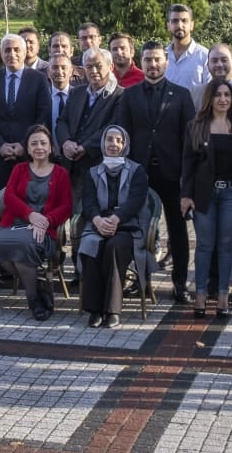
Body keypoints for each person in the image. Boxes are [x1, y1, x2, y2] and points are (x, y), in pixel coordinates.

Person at [118, 41, 192, 302]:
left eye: (157, 59)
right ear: (142, 61)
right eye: (147, 59)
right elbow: (122, 135)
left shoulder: (182, 95)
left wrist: (187, 178)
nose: (152, 64)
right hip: (140, 173)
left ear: (166, 62)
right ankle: (141, 280)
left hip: (172, 174)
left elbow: (189, 139)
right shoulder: (130, 95)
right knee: (139, 229)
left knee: (178, 231)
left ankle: (180, 284)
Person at [0, 124, 72, 320]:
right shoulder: (19, 169)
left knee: (23, 245)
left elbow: (66, 207)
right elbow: (9, 197)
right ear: (28, 148)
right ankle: (39, 285)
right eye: (34, 143)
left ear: (51, 147)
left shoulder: (61, 173)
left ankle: (33, 299)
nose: (39, 147)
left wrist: (45, 220)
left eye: (43, 143)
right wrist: (30, 215)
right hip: (14, 223)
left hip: (43, 230)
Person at [181, 78, 232, 319]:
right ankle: (200, 295)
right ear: (210, 98)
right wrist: (185, 195)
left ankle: (222, 295)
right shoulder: (196, 125)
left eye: (227, 95)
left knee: (227, 246)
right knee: (205, 246)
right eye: (218, 95)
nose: (223, 99)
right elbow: (187, 163)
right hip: (203, 195)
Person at [77, 125, 149, 329]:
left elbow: (136, 200)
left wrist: (117, 218)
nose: (113, 145)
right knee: (91, 245)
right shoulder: (92, 172)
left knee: (113, 248)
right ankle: (94, 310)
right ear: (103, 143)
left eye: (119, 140)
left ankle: (112, 310)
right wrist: (98, 220)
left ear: (125, 144)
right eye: (109, 140)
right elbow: (88, 202)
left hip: (127, 227)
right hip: (98, 225)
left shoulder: (137, 170)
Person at [0, 33, 53, 199]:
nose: (12, 54)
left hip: (28, 154)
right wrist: (0, 144)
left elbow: (43, 114)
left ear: (24, 53)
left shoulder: (39, 79)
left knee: (28, 200)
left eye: (17, 50)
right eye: (7, 50)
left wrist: (24, 144)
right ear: (1, 53)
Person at [57, 49, 123, 191]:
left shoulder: (120, 95)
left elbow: (112, 127)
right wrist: (66, 142)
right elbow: (62, 121)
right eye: (88, 66)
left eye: (98, 66)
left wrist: (86, 147)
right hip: (70, 167)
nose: (93, 71)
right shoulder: (76, 92)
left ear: (110, 67)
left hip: (99, 167)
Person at [164, 4, 211, 103]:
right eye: (175, 21)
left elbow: (210, 91)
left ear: (192, 25)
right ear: (168, 26)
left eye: (184, 21)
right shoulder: (162, 57)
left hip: (195, 116)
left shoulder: (205, 56)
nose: (179, 25)